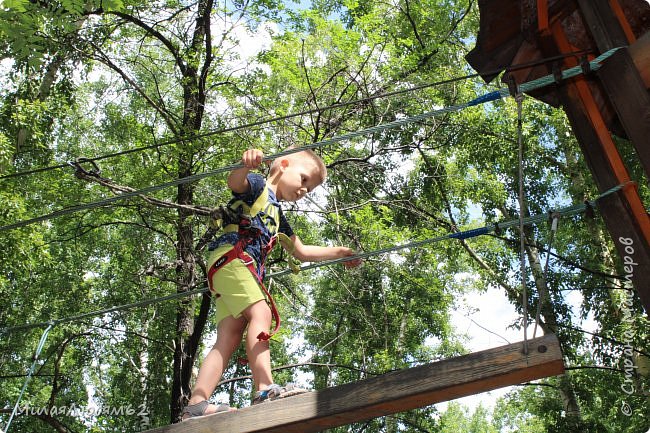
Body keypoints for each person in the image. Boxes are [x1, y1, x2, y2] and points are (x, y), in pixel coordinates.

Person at [183, 148, 361, 420]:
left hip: (231, 269)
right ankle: (264, 388)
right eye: (303, 180)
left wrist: (339, 252)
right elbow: (235, 182)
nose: (304, 190)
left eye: (309, 189)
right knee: (261, 313)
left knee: (229, 335)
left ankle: (196, 404)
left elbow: (301, 252)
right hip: (232, 258)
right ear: (284, 165)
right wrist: (245, 164)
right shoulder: (257, 186)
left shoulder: (279, 218)